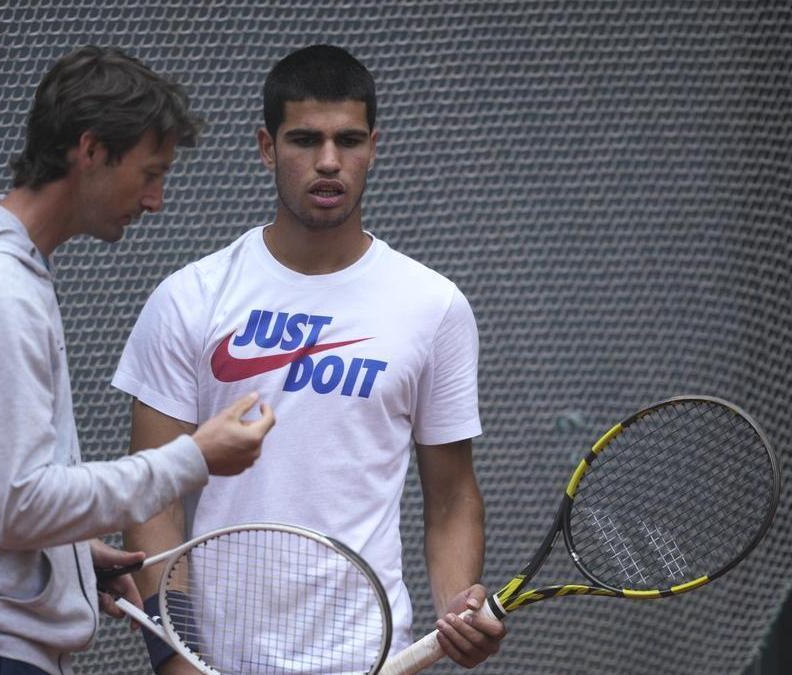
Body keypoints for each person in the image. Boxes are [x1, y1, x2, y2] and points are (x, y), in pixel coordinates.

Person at [0, 46, 275, 675]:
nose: (156, 200)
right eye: (149, 172)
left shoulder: (3, 275)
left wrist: (67, 555)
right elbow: (19, 505)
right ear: (89, 152)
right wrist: (194, 457)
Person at [113, 44, 505, 672]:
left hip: (369, 655)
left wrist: (456, 605)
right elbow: (153, 499)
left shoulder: (434, 307)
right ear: (267, 147)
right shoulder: (190, 298)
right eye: (304, 140)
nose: (329, 161)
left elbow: (452, 495)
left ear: (373, 145)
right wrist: (176, 657)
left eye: (349, 140)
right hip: (217, 660)